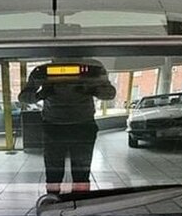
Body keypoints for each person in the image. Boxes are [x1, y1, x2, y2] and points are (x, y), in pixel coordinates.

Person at [18, 60, 116, 194]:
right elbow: (110, 94)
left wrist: (41, 94)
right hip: (77, 126)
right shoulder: (93, 69)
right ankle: (77, 200)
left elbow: (23, 97)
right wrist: (90, 90)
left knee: (58, 171)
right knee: (75, 172)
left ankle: (56, 199)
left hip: (60, 127)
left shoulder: (42, 71)